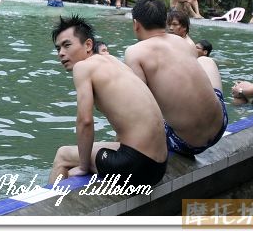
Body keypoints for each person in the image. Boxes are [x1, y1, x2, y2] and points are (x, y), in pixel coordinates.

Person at [48, 15, 167, 186]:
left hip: (136, 166)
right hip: (159, 166)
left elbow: (85, 121)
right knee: (93, 150)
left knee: (63, 156)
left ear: (88, 45)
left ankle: (50, 207)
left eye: (67, 45)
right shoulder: (113, 61)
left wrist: (83, 166)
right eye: (58, 48)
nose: (61, 53)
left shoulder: (83, 68)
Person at [124, 0, 228, 157]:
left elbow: (142, 109)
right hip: (221, 124)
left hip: (186, 143)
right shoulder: (184, 43)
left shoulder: (134, 52)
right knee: (206, 61)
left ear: (136, 24)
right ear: (164, 22)